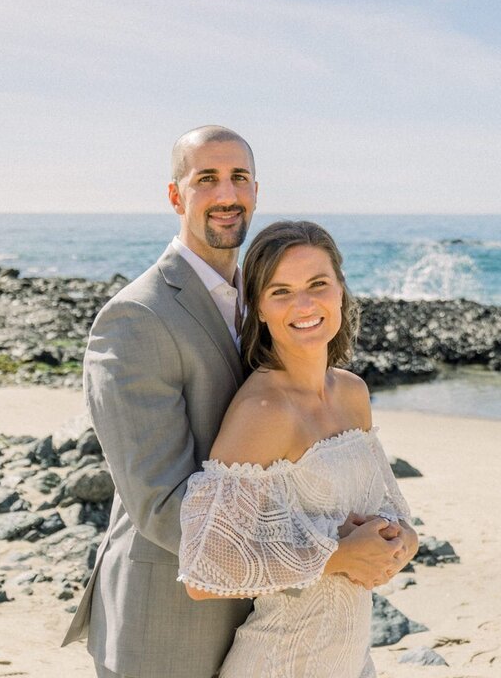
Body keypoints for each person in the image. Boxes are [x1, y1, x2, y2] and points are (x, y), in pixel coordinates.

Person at [62, 127, 402, 678]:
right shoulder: (136, 318)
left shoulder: (265, 296)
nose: (227, 194)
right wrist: (330, 552)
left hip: (273, 617)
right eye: (207, 179)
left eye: (238, 177)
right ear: (176, 196)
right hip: (169, 620)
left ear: (256, 191)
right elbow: (159, 501)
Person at [177, 220, 420, 678]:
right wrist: (340, 555)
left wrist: (403, 539)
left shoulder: (352, 392)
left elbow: (390, 510)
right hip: (281, 662)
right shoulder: (264, 409)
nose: (304, 304)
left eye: (317, 285)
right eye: (281, 291)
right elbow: (204, 570)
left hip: (350, 661)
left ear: (341, 292)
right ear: (258, 309)